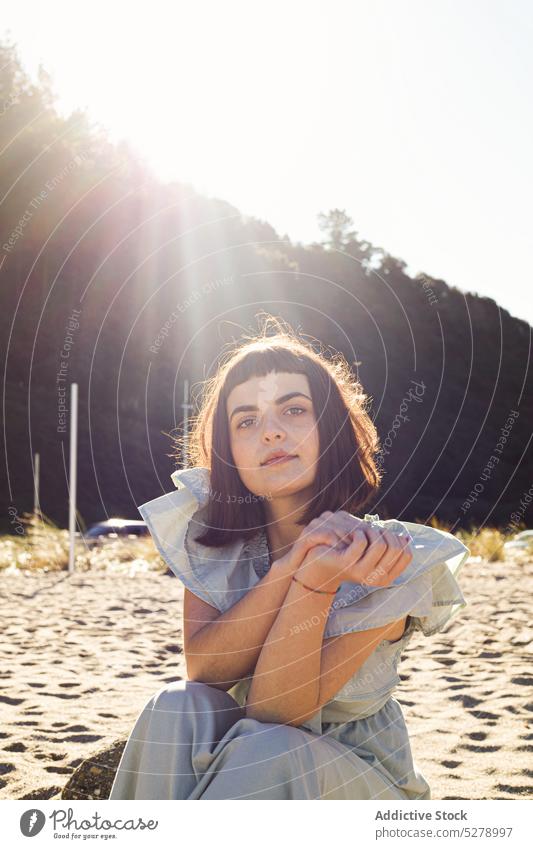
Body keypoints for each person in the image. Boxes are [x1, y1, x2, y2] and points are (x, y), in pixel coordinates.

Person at [109, 317, 469, 800]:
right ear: (229, 450)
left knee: (269, 747)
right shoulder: (215, 541)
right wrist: (287, 569)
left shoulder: (389, 557)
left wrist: (315, 584)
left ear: (332, 429)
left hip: (358, 785)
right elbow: (208, 673)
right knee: (177, 706)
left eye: (293, 410)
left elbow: (277, 710)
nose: (272, 433)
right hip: (241, 767)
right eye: (247, 421)